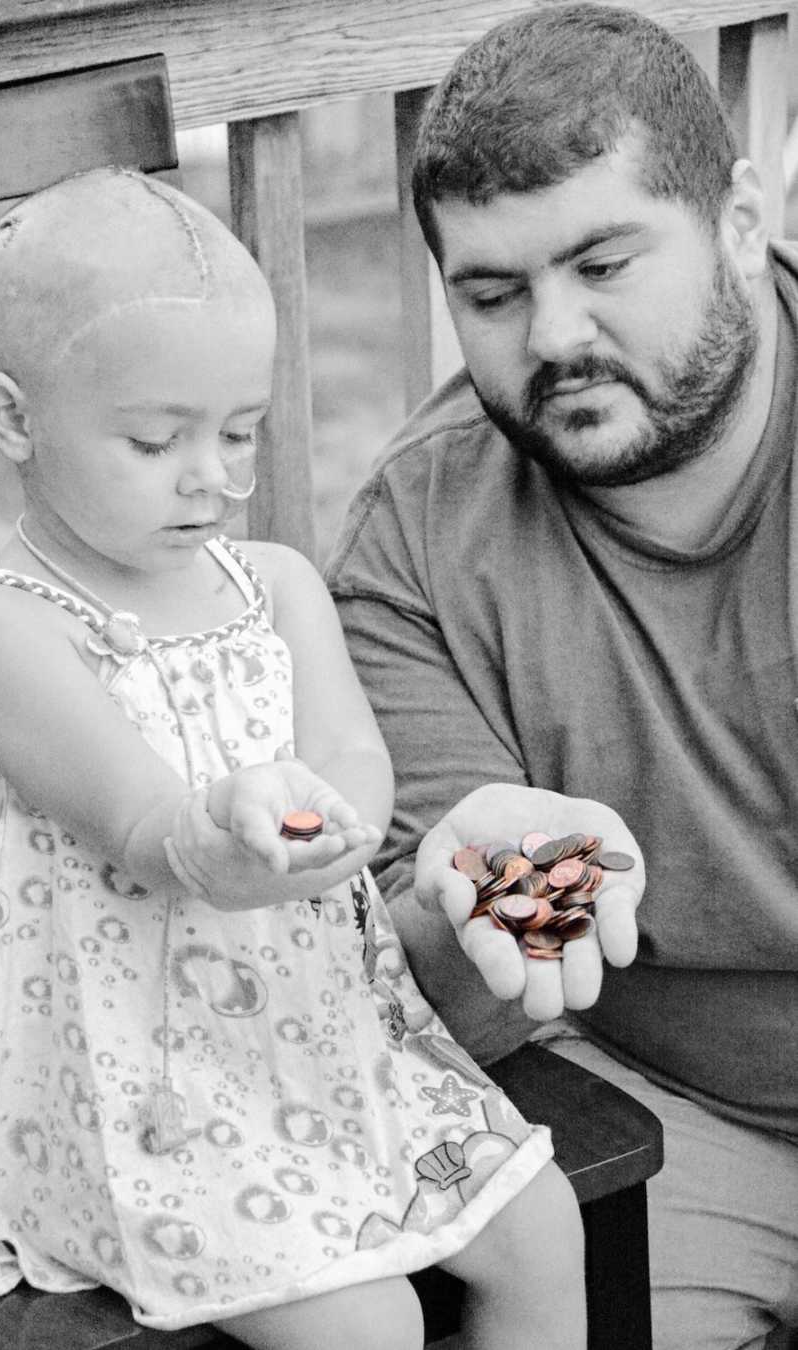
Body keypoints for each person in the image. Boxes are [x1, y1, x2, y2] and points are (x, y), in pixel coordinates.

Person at [0, 166, 587, 1349]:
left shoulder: (275, 586)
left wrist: (347, 825)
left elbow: (350, 765)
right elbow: (154, 830)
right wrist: (235, 825)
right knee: (366, 1324)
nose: (216, 475)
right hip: (142, 1082)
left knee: (543, 1225)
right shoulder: (18, 630)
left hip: (323, 1048)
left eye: (240, 432)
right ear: (12, 420)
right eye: (160, 440)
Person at [326, 5, 798, 1348]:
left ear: (740, 222)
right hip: (659, 1105)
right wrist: (482, 911)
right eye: (492, 293)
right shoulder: (415, 545)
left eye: (603, 262)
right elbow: (443, 1004)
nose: (554, 334)